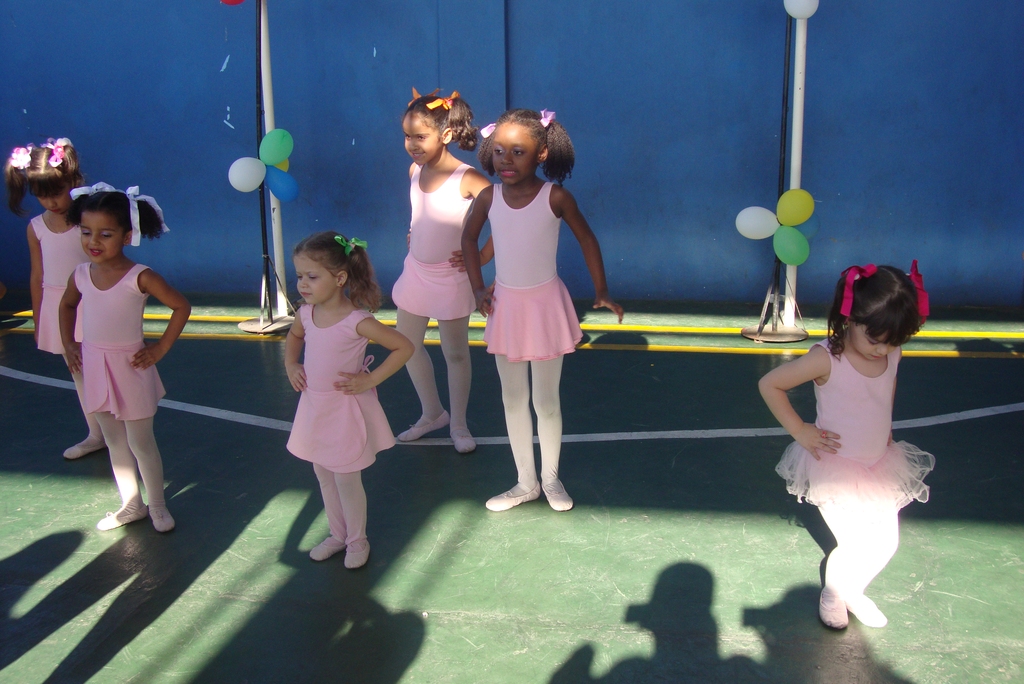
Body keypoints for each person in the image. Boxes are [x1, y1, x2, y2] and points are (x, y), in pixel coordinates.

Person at [462, 108, 623, 512]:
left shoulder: (556, 197)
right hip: (505, 307)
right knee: (513, 399)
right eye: (499, 150)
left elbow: (587, 239)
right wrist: (477, 287)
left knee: (546, 401)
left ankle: (551, 478)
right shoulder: (488, 197)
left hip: (545, 307)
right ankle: (525, 482)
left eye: (518, 152)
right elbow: (468, 239)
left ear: (542, 154)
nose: (506, 160)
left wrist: (601, 290)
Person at [758, 262, 935, 629]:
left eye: (893, 341)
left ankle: (853, 590)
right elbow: (770, 384)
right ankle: (833, 593)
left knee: (886, 544)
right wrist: (800, 430)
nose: (882, 349)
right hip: (835, 467)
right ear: (851, 319)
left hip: (879, 464)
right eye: (875, 339)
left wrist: (886, 426)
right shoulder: (827, 359)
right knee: (854, 544)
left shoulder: (891, 353)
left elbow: (886, 388)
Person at [58, 183, 189, 532]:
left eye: (105, 234)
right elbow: (66, 305)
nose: (93, 241)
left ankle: (157, 505)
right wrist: (69, 344)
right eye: (86, 232)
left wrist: (160, 348)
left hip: (130, 367)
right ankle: (131, 504)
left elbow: (181, 306)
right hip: (94, 366)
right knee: (114, 440)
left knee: (140, 442)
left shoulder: (140, 276)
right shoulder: (80, 275)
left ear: (128, 236)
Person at [286, 232, 413, 568]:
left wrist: (370, 379)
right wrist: (291, 364)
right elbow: (295, 337)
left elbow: (404, 347)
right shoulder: (305, 313)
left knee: (345, 477)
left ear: (340, 278)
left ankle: (358, 540)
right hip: (315, 407)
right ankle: (337, 534)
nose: (303, 284)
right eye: (299, 276)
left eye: (312, 277)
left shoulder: (357, 321)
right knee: (323, 473)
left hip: (343, 409)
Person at [391, 88, 493, 453]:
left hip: (451, 278)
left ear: (446, 134)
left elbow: (506, 217)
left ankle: (459, 424)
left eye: (420, 136)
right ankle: (433, 413)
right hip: (416, 272)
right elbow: (421, 212)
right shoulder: (414, 170)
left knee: (455, 353)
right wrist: (415, 233)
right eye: (407, 136)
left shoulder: (469, 178)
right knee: (405, 345)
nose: (412, 144)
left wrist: (481, 257)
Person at [4, 139, 104, 459]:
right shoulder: (36, 228)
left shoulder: (87, 220)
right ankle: (97, 433)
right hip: (59, 309)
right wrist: (39, 319)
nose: (51, 201)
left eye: (57, 192)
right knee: (78, 372)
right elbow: (38, 276)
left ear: (73, 180)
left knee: (105, 368)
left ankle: (121, 430)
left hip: (92, 302)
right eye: (41, 194)